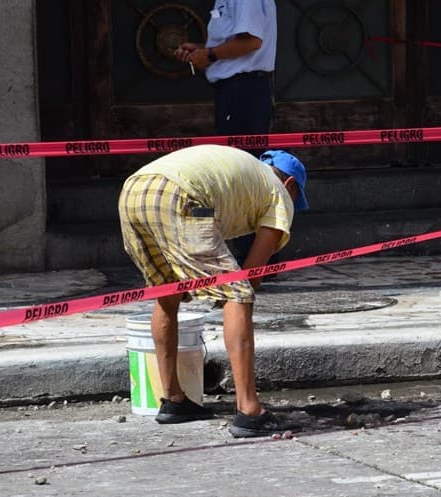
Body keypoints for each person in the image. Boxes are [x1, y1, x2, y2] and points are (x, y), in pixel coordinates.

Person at [118, 144, 309, 438]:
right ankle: (249, 410)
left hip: (134, 190)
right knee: (239, 293)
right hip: (178, 193)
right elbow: (253, 273)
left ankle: (174, 400)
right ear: (290, 184)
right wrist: (231, 297)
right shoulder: (279, 193)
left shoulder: (245, 172)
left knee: (167, 294)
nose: (294, 205)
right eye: (298, 198)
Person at [174, 0, 277, 265]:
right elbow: (238, 39)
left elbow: (252, 41)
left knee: (243, 173)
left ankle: (255, 260)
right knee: (239, 172)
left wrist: (208, 56)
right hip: (236, 90)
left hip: (243, 91)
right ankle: (250, 256)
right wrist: (203, 50)